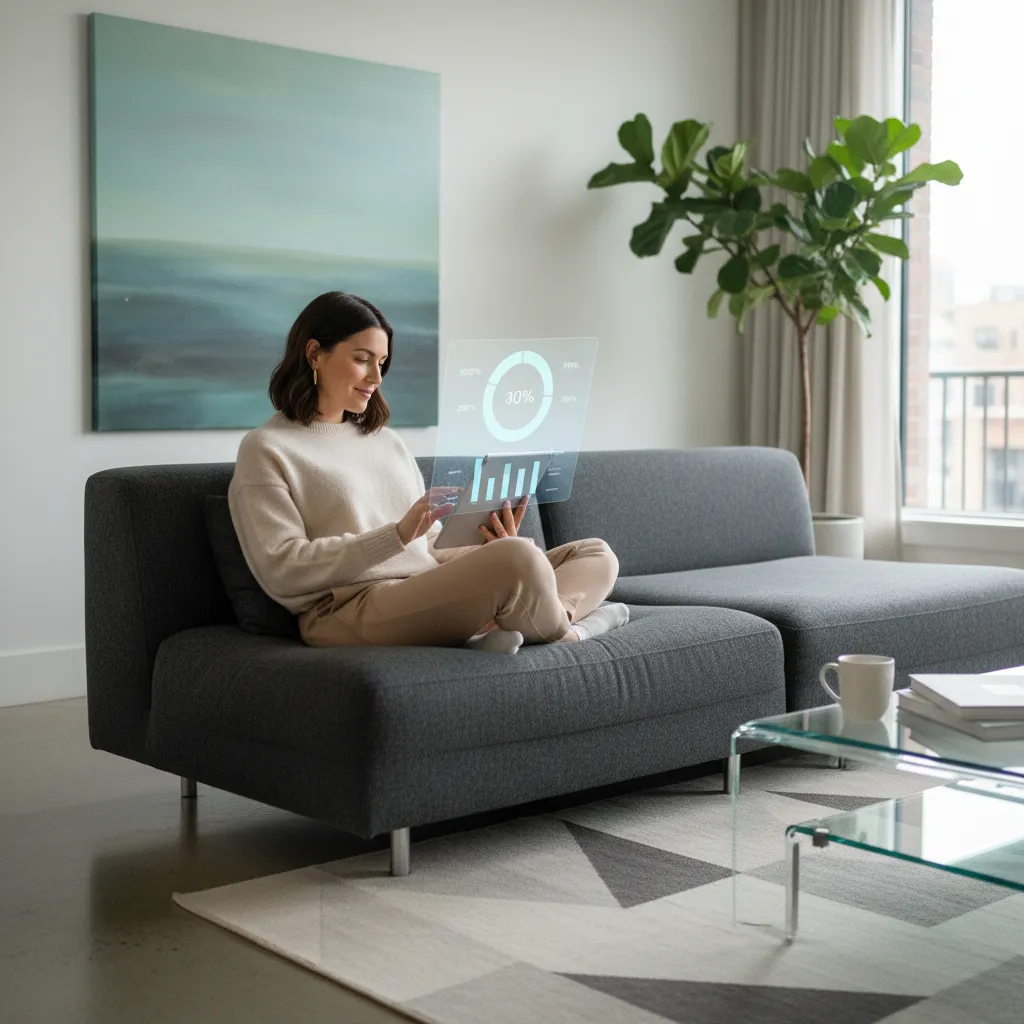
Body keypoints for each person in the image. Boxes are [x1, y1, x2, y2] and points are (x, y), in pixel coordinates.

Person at [228, 291, 628, 654]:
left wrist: (486, 548)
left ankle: (497, 625)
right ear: (314, 353)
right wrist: (397, 534)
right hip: (349, 609)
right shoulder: (267, 449)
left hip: (427, 586)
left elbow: (430, 545)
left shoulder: (386, 442)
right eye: (362, 359)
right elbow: (283, 569)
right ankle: (573, 631)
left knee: (595, 554)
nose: (376, 378)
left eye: (381, 363)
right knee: (521, 560)